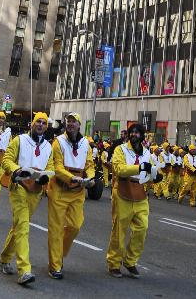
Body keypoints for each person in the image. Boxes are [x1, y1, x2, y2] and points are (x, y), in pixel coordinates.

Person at [0, 111, 54, 285]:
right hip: (19, 188)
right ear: (32, 123)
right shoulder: (19, 140)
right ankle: (24, 270)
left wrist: (47, 178)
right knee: (23, 227)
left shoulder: (48, 147)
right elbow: (6, 160)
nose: (40, 125)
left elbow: (50, 166)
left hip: (36, 192)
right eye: (38, 122)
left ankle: (5, 257)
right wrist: (16, 170)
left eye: (44, 123)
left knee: (19, 227)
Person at [106, 122, 160, 278]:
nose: (133, 135)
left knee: (142, 228)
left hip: (140, 194)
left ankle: (130, 261)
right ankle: (114, 263)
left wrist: (155, 178)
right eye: (131, 132)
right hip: (122, 191)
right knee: (119, 230)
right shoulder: (120, 149)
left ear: (142, 135)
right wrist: (140, 167)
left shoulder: (147, 153)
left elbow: (149, 173)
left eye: (137, 132)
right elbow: (119, 169)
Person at [47, 112, 95, 279]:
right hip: (59, 190)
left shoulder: (85, 144)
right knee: (56, 229)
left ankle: (59, 254)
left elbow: (89, 164)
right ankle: (55, 265)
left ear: (79, 125)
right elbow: (57, 167)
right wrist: (71, 178)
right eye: (68, 121)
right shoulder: (58, 142)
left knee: (75, 226)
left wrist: (91, 177)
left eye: (74, 122)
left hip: (77, 192)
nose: (71, 124)